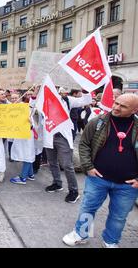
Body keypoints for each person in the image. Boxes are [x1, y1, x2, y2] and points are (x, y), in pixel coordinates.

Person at [63, 94, 138, 248]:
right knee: (88, 208)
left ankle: (110, 241)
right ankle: (81, 234)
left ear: (134, 109)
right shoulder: (98, 122)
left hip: (128, 185)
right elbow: (83, 144)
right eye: (116, 103)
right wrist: (88, 167)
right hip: (98, 179)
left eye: (123, 106)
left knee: (119, 217)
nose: (116, 107)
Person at [43, 88, 92, 203]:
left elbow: (85, 101)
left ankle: (74, 191)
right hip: (49, 136)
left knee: (67, 165)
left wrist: (85, 90)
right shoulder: (43, 101)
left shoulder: (66, 100)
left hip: (62, 137)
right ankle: (57, 183)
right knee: (52, 162)